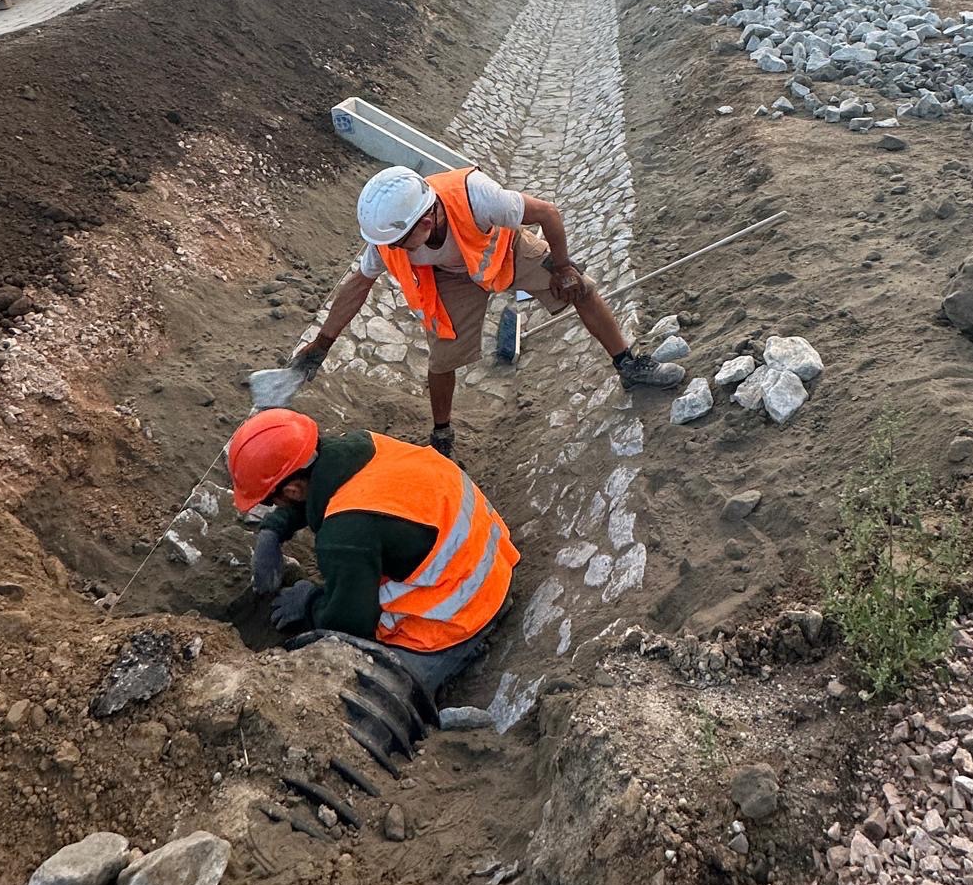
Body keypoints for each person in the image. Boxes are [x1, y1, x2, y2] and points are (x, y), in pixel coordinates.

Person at [289, 164, 685, 454]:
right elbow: (357, 285)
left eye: (399, 242)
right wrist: (321, 344)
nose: (391, 251)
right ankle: (442, 435)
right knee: (442, 358)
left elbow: (547, 212)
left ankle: (629, 366)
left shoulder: (478, 196)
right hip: (448, 279)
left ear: (428, 219)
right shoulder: (388, 235)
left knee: (581, 289)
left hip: (502, 251)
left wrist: (563, 267)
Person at [229, 407, 519, 694]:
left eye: (271, 502)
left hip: (460, 610)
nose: (274, 506)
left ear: (291, 491)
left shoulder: (344, 534)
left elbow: (350, 622)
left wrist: (309, 602)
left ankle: (466, 651)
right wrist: (272, 530)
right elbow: (316, 493)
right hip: (488, 557)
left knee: (373, 689)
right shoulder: (361, 446)